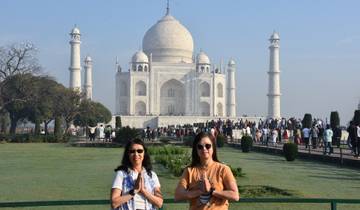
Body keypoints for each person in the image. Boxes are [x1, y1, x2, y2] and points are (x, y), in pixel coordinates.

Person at [174, 132, 239, 210]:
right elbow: (178, 196)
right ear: (196, 149)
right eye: (200, 146)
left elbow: (235, 196)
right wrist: (200, 191)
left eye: (208, 146)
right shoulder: (189, 171)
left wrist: (212, 191)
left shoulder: (223, 169)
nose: (204, 149)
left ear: (213, 148)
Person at [110, 139, 163, 210]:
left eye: (139, 151)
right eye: (132, 151)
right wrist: (134, 191)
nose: (136, 154)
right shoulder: (122, 174)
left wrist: (143, 191)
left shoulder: (152, 175)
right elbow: (114, 203)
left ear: (144, 153)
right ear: (128, 154)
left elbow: (159, 203)